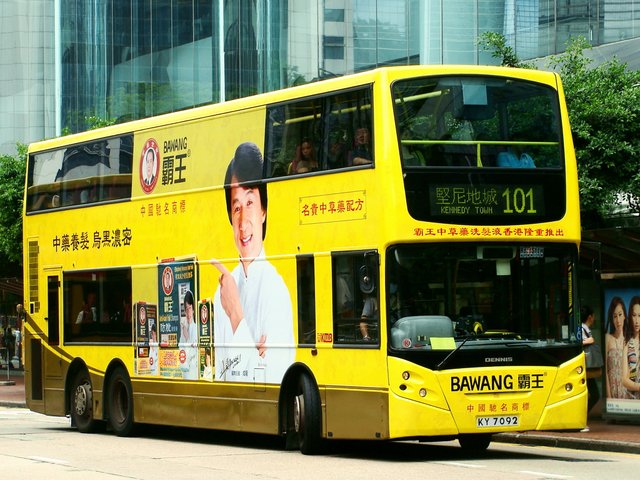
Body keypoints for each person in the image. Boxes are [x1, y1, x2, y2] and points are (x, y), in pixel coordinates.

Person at [212, 142, 295, 383]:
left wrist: (236, 315)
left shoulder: (276, 291)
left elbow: (270, 380)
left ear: (263, 210)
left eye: (249, 203)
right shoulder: (222, 292)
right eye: (236, 207)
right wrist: (253, 352)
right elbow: (221, 373)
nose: (242, 222)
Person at [580, 305, 601, 415]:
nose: (594, 318)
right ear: (589, 317)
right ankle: (581, 415)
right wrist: (589, 340)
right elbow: (576, 342)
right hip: (584, 366)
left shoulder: (586, 329)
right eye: (593, 316)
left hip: (587, 366)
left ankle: (582, 414)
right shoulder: (581, 328)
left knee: (594, 394)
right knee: (595, 394)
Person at [605, 296, 626, 399]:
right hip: (613, 395)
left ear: (624, 315)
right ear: (612, 319)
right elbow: (605, 371)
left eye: (620, 315)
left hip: (628, 395)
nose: (618, 320)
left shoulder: (629, 340)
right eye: (614, 316)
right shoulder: (608, 338)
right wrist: (609, 397)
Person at [622, 296, 640, 398]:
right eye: (634, 315)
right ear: (630, 316)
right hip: (631, 398)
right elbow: (624, 380)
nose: (637, 320)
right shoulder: (627, 343)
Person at [179, 290, 198, 380]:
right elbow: (181, 350)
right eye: (186, 308)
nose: (188, 311)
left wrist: (187, 339)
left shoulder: (197, 328)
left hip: (194, 372)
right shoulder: (183, 329)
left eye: (190, 308)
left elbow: (194, 351)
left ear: (193, 309)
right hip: (184, 372)